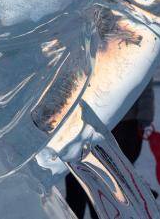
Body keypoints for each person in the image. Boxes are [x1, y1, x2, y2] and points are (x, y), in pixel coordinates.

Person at [66, 88, 155, 218]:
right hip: (90, 122)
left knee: (100, 177)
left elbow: (144, 88)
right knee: (92, 177)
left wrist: (144, 117)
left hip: (120, 124)